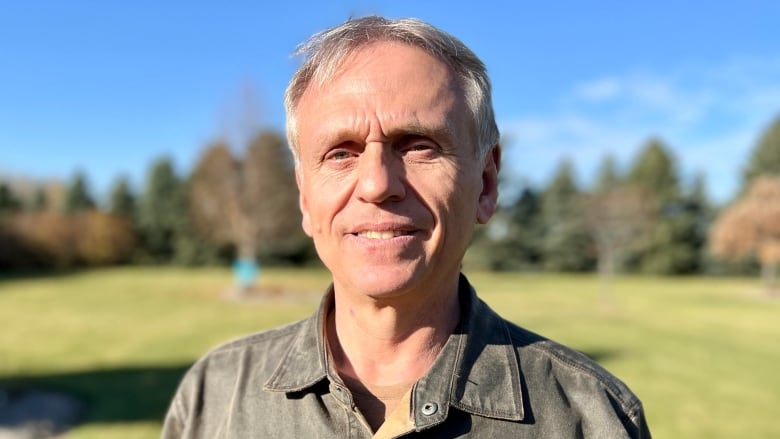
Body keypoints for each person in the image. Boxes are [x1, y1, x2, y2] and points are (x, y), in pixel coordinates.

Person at [162, 16, 651, 438]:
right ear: (304, 197)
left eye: (419, 146)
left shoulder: (594, 418)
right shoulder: (214, 398)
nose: (377, 184)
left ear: (485, 182)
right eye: (341, 153)